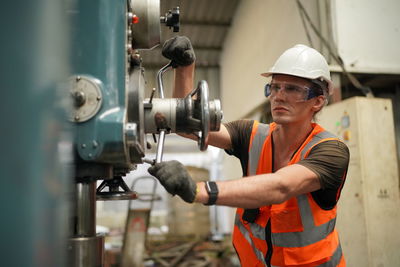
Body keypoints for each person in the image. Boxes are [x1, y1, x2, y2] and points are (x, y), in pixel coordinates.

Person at [148, 36, 349, 267]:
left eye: (293, 89)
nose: (279, 96)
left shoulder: (331, 151)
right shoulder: (252, 134)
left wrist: (198, 190)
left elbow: (281, 186)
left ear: (318, 101)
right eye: (274, 87)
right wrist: (185, 69)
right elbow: (189, 127)